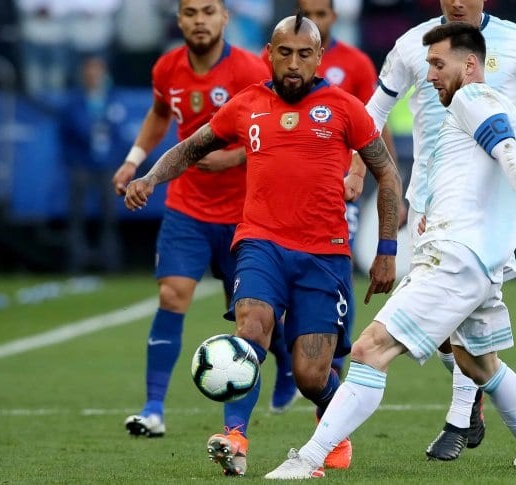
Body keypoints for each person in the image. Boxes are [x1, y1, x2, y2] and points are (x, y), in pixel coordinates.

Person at [264, 21, 516, 480]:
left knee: (371, 349)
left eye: (437, 64)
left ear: (470, 64)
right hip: (481, 262)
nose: (429, 76)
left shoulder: (474, 98)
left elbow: (509, 153)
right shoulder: (491, 104)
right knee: (478, 362)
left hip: (454, 257)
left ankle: (309, 459)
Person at [123, 13, 402, 476]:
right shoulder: (246, 103)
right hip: (260, 242)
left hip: (324, 254)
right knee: (251, 331)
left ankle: (333, 422)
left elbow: (387, 173)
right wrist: (150, 178)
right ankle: (235, 440)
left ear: (318, 59)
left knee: (312, 375)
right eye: (285, 53)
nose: (293, 64)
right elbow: (191, 147)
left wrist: (387, 250)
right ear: (268, 55)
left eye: (304, 54)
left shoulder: (344, 107)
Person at [364, 0, 516, 461]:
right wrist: (349, 167)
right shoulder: (411, 46)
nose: (458, 2)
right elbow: (373, 112)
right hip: (427, 201)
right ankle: (485, 408)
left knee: (457, 322)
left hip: (487, 206)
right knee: (447, 334)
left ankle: (460, 419)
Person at [113, 0, 297, 440]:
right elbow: (160, 114)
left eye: (208, 11)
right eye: (191, 12)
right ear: (179, 20)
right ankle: (153, 408)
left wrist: (235, 156)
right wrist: (133, 159)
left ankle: (287, 366)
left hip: (245, 215)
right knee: (172, 295)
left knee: (257, 318)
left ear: (224, 18)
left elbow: (279, 127)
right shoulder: (167, 69)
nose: (200, 20)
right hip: (187, 208)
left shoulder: (252, 70)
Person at [263, 0, 400, 376]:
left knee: (337, 270)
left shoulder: (355, 64)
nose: (316, 21)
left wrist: (363, 174)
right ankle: (291, 360)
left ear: (334, 18)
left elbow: (374, 122)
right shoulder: (283, 62)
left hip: (338, 193)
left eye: (322, 14)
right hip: (283, 197)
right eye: (309, 14)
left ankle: (334, 358)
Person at [61, 55, 125, 274]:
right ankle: (77, 260)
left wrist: (115, 159)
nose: (93, 75)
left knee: (109, 214)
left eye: (97, 70)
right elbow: (69, 133)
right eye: (90, 71)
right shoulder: (75, 100)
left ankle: (110, 261)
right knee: (77, 216)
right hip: (82, 163)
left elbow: (119, 135)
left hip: (106, 164)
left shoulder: (111, 99)